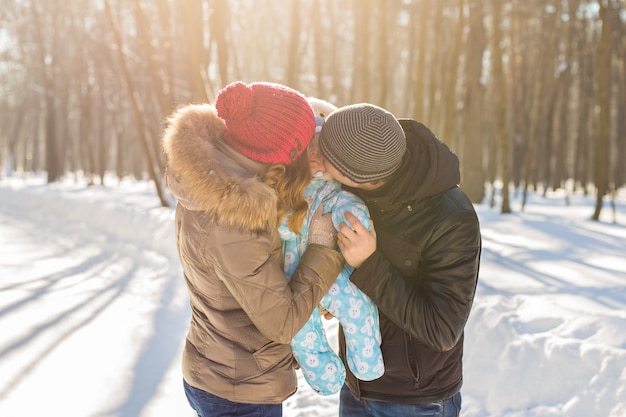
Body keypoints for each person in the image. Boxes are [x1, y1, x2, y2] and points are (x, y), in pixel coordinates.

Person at [161, 81, 345, 417]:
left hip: (216, 368)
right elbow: (283, 322)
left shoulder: (212, 172)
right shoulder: (236, 220)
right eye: (305, 144)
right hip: (239, 393)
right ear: (284, 155)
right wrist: (322, 248)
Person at [318, 103, 481, 417]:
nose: (317, 160)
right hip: (356, 382)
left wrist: (370, 263)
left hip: (414, 401)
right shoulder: (355, 185)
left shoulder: (451, 217)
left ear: (358, 176)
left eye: (325, 155)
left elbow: (442, 329)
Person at [279, 98, 384, 396]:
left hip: (335, 272)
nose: (313, 153)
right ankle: (324, 377)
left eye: (320, 147)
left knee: (358, 307)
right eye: (306, 147)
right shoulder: (287, 192)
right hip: (294, 275)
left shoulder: (334, 190)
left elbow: (349, 208)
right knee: (300, 329)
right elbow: (279, 224)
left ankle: (367, 364)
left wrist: (353, 220)